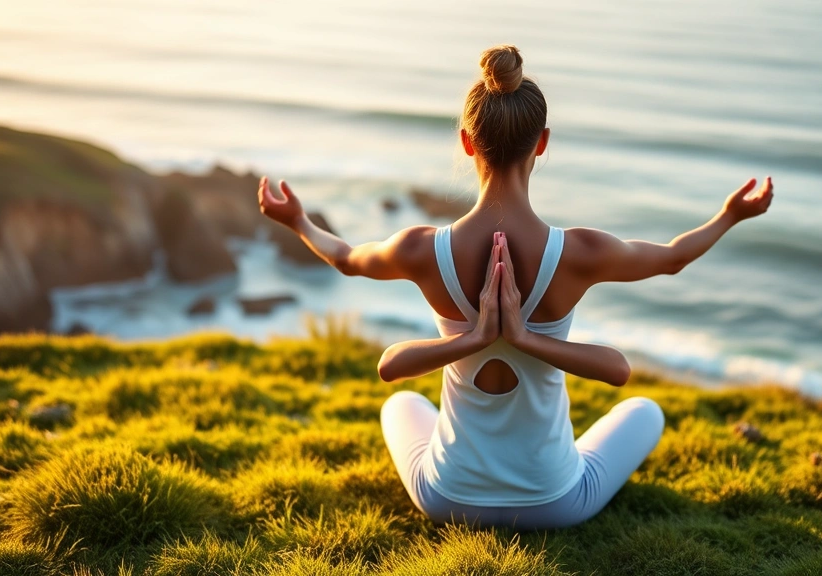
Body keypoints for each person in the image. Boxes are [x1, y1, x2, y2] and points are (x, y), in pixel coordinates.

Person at [257, 44, 773, 530]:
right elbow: (672, 259)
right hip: (555, 503)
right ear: (542, 142)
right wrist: (729, 215)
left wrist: (300, 220)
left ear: (465, 140)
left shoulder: (422, 248)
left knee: (399, 406)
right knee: (646, 410)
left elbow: (346, 260)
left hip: (446, 498)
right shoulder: (579, 251)